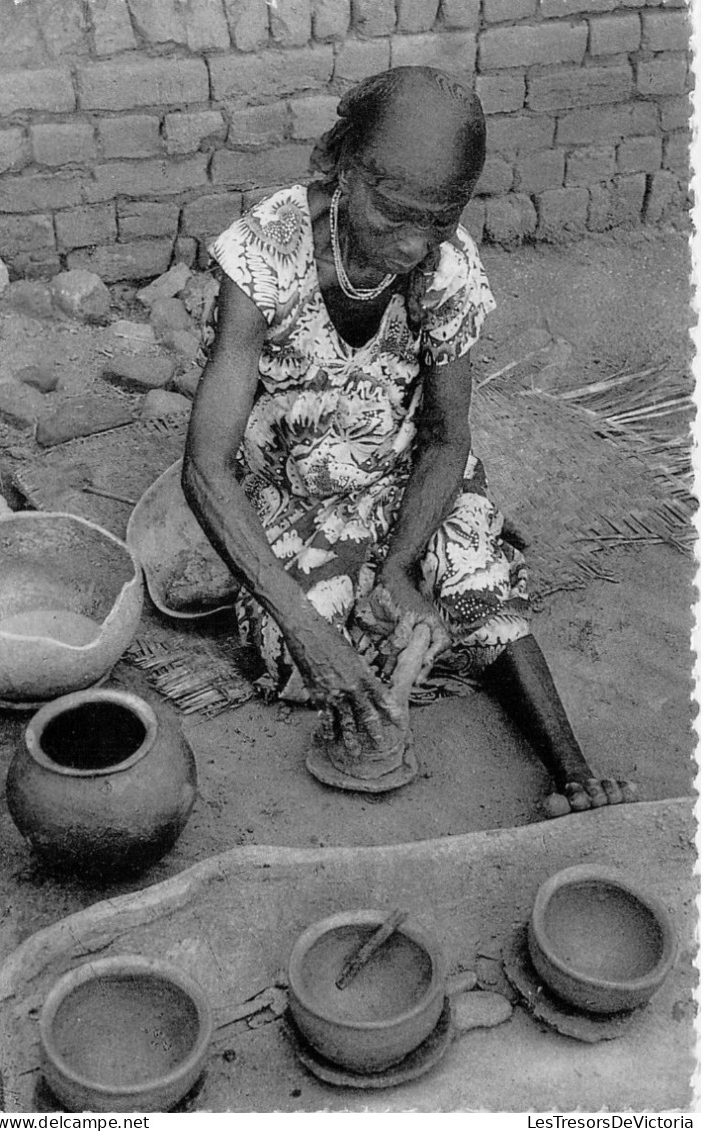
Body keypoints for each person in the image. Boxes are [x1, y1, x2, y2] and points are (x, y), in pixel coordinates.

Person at [181, 65, 636, 817]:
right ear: (339, 165)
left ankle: (572, 770)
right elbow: (203, 466)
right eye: (392, 212)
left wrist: (395, 568)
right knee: (288, 654)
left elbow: (446, 439)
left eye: (441, 215)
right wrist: (302, 625)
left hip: (402, 474)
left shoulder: (445, 267)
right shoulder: (265, 255)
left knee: (468, 566)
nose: (413, 241)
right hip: (300, 483)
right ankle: (401, 624)